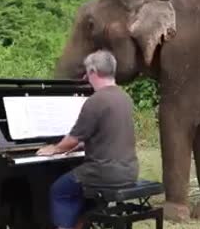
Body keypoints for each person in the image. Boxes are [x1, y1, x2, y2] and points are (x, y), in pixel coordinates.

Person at [36, 50, 139, 229]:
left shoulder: (96, 100)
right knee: (81, 192)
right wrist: (83, 144)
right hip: (129, 171)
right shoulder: (125, 97)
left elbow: (71, 140)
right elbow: (107, 133)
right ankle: (82, 224)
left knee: (59, 190)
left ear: (93, 71)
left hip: (103, 173)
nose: (85, 76)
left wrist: (55, 148)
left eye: (87, 72)